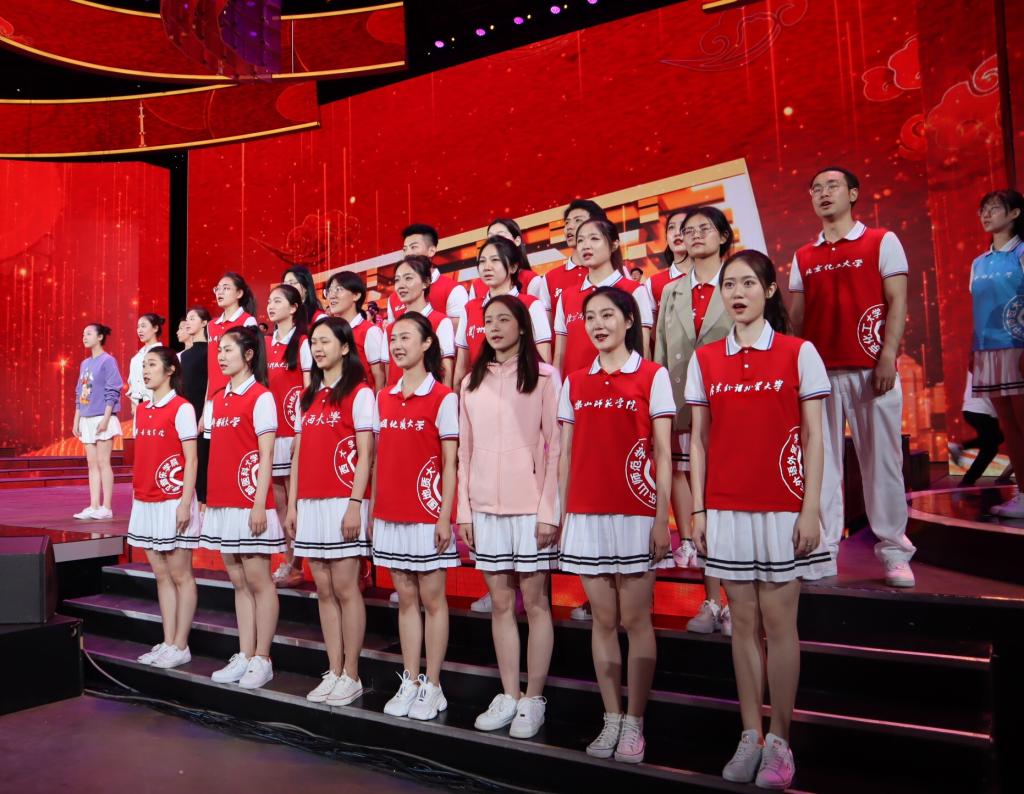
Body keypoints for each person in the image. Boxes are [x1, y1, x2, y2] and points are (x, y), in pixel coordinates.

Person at [687, 250, 833, 789]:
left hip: (782, 509)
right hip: (726, 508)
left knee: (780, 625)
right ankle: (750, 733)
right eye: (730, 285)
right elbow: (698, 441)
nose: (738, 293)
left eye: (749, 283)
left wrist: (811, 508)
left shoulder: (799, 353)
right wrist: (699, 508)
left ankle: (780, 741)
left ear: (770, 290)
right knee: (742, 626)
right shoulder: (706, 359)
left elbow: (815, 436)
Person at [557, 287, 674, 764]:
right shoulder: (574, 382)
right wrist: (563, 513)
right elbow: (565, 454)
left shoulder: (652, 375)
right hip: (587, 513)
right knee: (603, 621)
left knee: (636, 620)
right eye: (590, 317)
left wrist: (662, 517)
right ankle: (611, 716)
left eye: (608, 315)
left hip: (636, 513)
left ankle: (635, 722)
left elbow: (663, 452)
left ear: (629, 321)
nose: (598, 324)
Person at [789, 166, 916, 586]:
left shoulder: (881, 241)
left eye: (832, 186)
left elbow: (896, 302)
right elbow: (797, 318)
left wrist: (887, 356)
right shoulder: (803, 256)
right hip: (819, 376)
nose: (823, 194)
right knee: (821, 465)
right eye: (816, 188)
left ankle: (894, 551)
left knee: (883, 464)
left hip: (871, 371)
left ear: (854, 193)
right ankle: (824, 548)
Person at [457, 295, 560, 739]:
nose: (495, 327)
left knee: (535, 604)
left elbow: (556, 448)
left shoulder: (545, 376)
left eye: (504, 319)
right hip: (485, 509)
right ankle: (509, 693)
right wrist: (465, 510)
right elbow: (463, 453)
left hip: (531, 508)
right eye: (488, 321)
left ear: (522, 325)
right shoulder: (470, 381)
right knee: (501, 604)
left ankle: (533, 698)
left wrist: (549, 511)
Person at [373, 312, 459, 721]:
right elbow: (378, 458)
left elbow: (450, 464)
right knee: (406, 599)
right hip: (391, 512)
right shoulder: (383, 397)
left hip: (427, 512)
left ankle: (433, 685)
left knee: (433, 599)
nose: (397, 345)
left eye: (406, 337)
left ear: (427, 344)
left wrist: (445, 516)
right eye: (394, 338)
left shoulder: (443, 397)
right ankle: (409, 679)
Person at [655, 206, 736, 633]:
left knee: (729, 502)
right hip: (684, 405)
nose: (696, 235)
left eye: (706, 228)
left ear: (723, 236)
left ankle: (737, 600)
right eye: (689, 230)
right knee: (700, 499)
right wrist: (661, 404)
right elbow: (660, 354)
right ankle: (710, 599)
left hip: (731, 407)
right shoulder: (672, 291)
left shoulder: (738, 281)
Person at [285, 317, 373, 706]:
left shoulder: (360, 393)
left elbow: (366, 454)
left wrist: (355, 504)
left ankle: (352, 674)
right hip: (310, 501)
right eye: (314, 343)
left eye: (325, 342)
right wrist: (292, 503)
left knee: (345, 588)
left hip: (343, 501)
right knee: (322, 588)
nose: (318, 349)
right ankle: (334, 669)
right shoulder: (308, 396)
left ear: (345, 347)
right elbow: (299, 454)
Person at [200, 327, 285, 690]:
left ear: (249, 355)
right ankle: (245, 653)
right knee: (237, 580)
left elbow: (266, 454)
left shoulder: (261, 397)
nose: (220, 356)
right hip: (223, 501)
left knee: (259, 580)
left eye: (228, 350)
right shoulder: (218, 398)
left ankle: (263, 658)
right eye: (219, 350)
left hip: (250, 501)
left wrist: (259, 504)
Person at [128, 346, 200, 670]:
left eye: (152, 364)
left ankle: (181, 644)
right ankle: (168, 641)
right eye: (144, 365)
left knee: (180, 574)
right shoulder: (142, 409)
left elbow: (191, 460)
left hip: (173, 501)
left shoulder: (182, 408)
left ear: (170, 370)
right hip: (145, 500)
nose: (146, 371)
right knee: (161, 575)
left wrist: (185, 502)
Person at [969, 189, 1024, 511]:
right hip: (988, 352)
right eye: (983, 210)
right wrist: (972, 351)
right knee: (1010, 427)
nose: (986, 215)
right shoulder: (979, 263)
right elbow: (978, 309)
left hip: (1018, 348)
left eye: (994, 208)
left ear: (1015, 213)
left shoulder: (1021, 253)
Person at [554, 218, 653, 377]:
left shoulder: (633, 291)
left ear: (614, 244)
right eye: (580, 240)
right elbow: (560, 355)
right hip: (576, 388)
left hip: (622, 387)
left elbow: (642, 348)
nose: (585, 245)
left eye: (594, 238)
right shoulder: (566, 297)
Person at [453, 235, 552, 387]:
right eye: (482, 261)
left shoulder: (531, 305)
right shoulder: (469, 308)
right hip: (479, 391)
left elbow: (543, 360)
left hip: (521, 389)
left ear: (513, 267)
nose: (487, 267)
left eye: (495, 260)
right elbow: (462, 366)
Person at [265, 285, 313, 589]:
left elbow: (309, 389)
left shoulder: (304, 343)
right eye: (269, 301)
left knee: (296, 498)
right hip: (272, 431)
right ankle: (289, 560)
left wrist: (301, 429)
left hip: (294, 431)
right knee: (280, 500)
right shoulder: (265, 343)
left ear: (294, 307)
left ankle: (298, 562)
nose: (271, 306)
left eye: (278, 301)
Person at [72, 323, 124, 520]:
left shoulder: (108, 361)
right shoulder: (85, 363)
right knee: (91, 463)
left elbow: (113, 388)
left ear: (100, 337)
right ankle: (94, 505)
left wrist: (106, 417)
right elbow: (80, 392)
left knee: (103, 462)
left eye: (89, 333)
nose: (84, 337)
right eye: (83, 334)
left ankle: (106, 506)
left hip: (103, 416)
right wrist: (76, 419)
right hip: (86, 417)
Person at [382, 255, 455, 388]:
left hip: (429, 397)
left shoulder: (441, 322)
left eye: (408, 278)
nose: (401, 285)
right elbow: (389, 375)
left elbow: (446, 371)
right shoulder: (390, 329)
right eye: (397, 280)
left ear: (426, 282)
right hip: (397, 397)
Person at [387, 224, 469, 330]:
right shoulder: (393, 299)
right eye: (405, 249)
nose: (408, 253)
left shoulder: (453, 290)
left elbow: (458, 335)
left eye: (413, 247)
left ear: (431, 251)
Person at [536, 199, 608, 318]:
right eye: (567, 223)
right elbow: (547, 326)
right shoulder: (549, 278)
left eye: (578, 220)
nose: (569, 227)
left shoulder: (612, 271)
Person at [204, 272, 259, 425]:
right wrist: (204, 408)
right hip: (213, 398)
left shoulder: (247, 321)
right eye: (217, 288)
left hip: (238, 395)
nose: (220, 292)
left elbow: (253, 363)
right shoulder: (211, 325)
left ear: (239, 293)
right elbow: (211, 369)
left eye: (226, 288)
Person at [324, 271, 387, 391]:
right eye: (329, 291)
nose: (332, 296)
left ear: (356, 295)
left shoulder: (370, 331)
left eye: (338, 289)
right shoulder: (330, 332)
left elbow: (379, 376)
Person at [178, 307, 211, 504]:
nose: (188, 323)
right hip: (187, 411)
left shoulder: (211, 351)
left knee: (202, 459)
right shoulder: (184, 355)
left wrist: (205, 414)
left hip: (203, 413)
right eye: (187, 319)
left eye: (192, 318)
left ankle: (203, 504)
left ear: (204, 323)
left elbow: (210, 384)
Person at [467, 218, 544, 302]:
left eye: (501, 236)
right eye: (490, 238)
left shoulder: (531, 280)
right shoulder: (477, 286)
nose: (495, 242)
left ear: (517, 241)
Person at [949, 372, 1003, 486]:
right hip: (981, 410)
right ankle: (967, 479)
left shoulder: (980, 364)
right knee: (993, 443)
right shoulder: (985, 364)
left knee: (993, 444)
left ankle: (967, 480)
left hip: (978, 410)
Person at [126, 313, 165, 417]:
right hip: (138, 408)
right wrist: (133, 405)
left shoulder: (163, 354)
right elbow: (132, 384)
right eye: (138, 327)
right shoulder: (136, 358)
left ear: (155, 328)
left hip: (157, 406)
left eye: (143, 326)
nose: (139, 330)